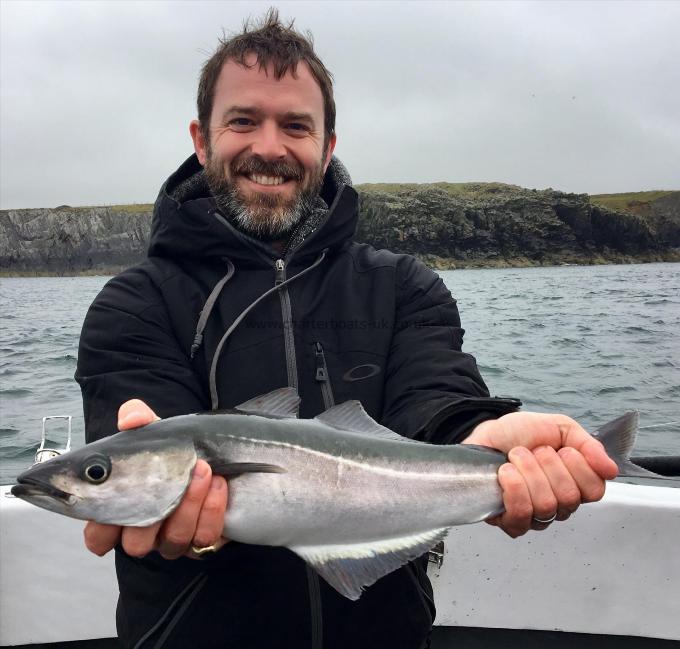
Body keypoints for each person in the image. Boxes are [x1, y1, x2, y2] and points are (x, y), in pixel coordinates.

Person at [75, 10, 617, 649]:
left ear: (328, 145)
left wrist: (481, 440)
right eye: (243, 120)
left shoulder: (403, 285)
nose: (270, 148)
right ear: (201, 138)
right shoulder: (132, 303)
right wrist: (169, 515)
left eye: (296, 125)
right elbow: (147, 477)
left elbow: (436, 402)